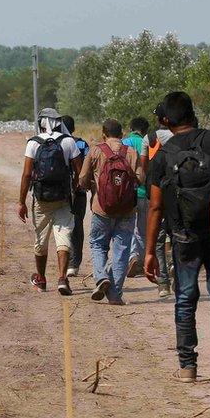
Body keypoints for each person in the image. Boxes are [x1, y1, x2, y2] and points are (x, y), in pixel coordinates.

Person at [145, 91, 210, 385]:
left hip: (183, 235)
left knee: (185, 297)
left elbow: (156, 207)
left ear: (165, 120)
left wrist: (149, 251)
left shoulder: (162, 155)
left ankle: (187, 366)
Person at [19, 107, 83, 295]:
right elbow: (80, 172)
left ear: (41, 123)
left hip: (41, 199)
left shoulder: (33, 143)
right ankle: (62, 278)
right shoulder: (69, 142)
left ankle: (41, 279)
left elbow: (26, 174)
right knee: (63, 238)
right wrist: (75, 188)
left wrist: (21, 202)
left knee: (41, 241)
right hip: (63, 198)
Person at [78, 118, 143, 305]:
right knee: (121, 251)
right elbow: (141, 178)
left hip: (101, 209)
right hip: (127, 211)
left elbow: (82, 179)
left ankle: (101, 278)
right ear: (122, 134)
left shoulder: (96, 150)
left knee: (98, 245)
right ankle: (115, 295)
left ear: (103, 134)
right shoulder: (130, 152)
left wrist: (94, 185)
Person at [141, 104, 174, 297]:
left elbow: (144, 166)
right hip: (178, 192)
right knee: (178, 235)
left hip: (156, 192)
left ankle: (163, 284)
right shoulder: (177, 136)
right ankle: (178, 274)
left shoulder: (149, 137)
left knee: (159, 240)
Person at [62, 115, 89, 277]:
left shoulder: (57, 142)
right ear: (73, 128)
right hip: (79, 192)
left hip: (60, 193)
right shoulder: (81, 144)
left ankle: (66, 261)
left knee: (63, 227)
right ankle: (74, 263)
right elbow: (87, 169)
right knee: (77, 226)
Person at [123, 117, 150, 278]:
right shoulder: (146, 143)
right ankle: (135, 258)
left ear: (131, 127)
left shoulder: (124, 143)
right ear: (145, 130)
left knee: (126, 228)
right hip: (143, 191)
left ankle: (127, 259)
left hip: (126, 193)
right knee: (141, 230)